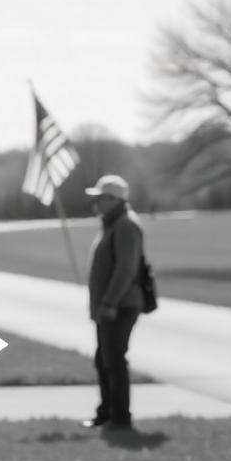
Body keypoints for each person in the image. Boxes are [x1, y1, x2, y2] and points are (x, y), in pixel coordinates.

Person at [81, 174, 145, 433]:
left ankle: (120, 416)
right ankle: (107, 412)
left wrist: (109, 302)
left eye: (99, 198)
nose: (95, 203)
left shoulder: (125, 225)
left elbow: (125, 269)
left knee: (114, 360)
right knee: (104, 359)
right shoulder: (112, 223)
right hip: (108, 307)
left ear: (113, 200)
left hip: (119, 306)